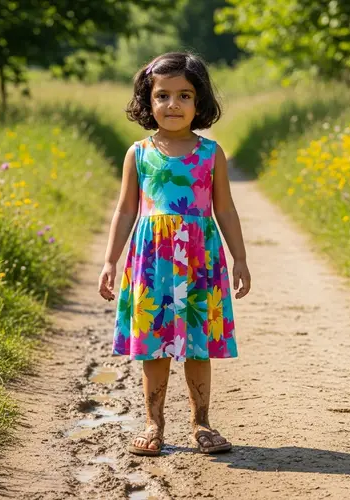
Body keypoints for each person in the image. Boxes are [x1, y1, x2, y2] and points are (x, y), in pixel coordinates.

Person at [98, 52, 251, 456]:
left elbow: (226, 209)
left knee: (198, 343)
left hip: (200, 260)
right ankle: (154, 423)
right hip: (152, 262)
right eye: (162, 95)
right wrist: (111, 261)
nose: (173, 105)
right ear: (147, 102)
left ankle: (201, 422)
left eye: (184, 96)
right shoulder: (139, 153)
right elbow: (126, 209)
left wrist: (241, 258)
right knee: (155, 343)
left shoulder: (210, 153)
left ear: (199, 102)